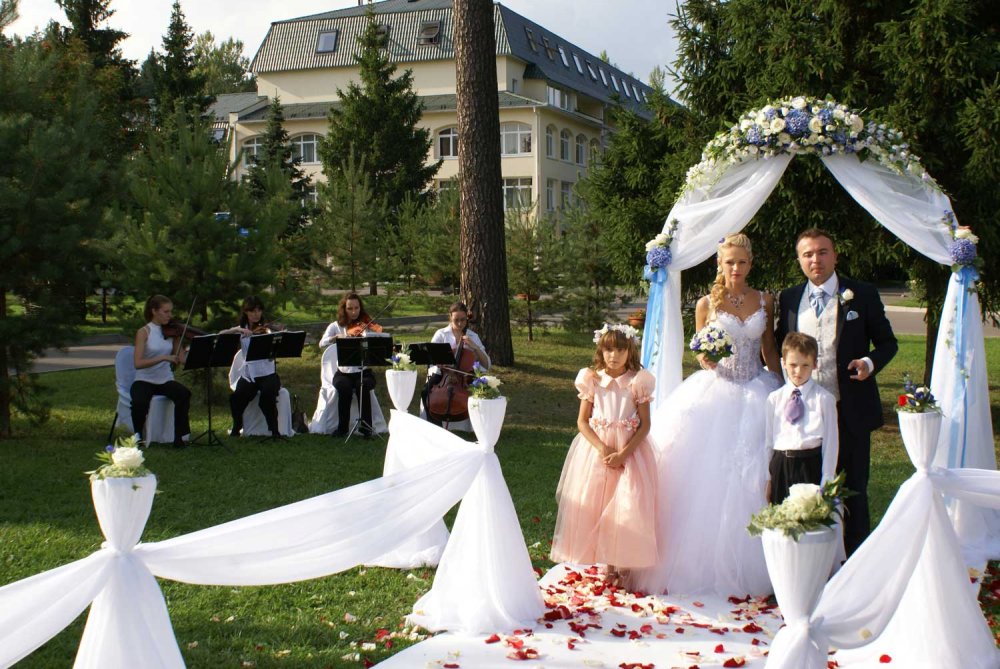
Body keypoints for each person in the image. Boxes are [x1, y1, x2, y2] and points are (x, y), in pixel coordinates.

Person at [636, 233, 782, 597]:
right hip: (717, 391)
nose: (736, 268)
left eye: (742, 262)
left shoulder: (765, 300)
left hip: (757, 389)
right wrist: (706, 358)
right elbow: (701, 351)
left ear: (751, 264)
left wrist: (783, 388)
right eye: (729, 262)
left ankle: (760, 564)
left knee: (753, 475)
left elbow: (769, 349)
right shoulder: (706, 303)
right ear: (720, 264)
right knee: (706, 474)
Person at [776, 228, 897, 556]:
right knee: (806, 489)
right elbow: (779, 347)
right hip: (804, 415)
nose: (815, 259)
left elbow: (888, 343)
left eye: (822, 252)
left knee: (853, 489)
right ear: (799, 260)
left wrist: (869, 363)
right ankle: (811, 560)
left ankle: (856, 562)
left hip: (850, 409)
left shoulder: (862, 294)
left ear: (835, 255)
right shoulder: (789, 298)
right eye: (808, 254)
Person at [550, 323, 657, 588]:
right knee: (600, 504)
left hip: (629, 452)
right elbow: (582, 422)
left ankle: (624, 563)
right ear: (601, 351)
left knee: (626, 506)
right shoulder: (592, 380)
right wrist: (602, 448)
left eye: (620, 350)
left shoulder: (638, 382)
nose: (614, 356)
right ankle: (609, 565)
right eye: (609, 350)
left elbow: (645, 425)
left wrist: (624, 453)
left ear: (629, 351)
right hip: (598, 453)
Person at [765, 332, 839, 504]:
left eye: (805, 365)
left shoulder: (825, 399)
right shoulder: (774, 399)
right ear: (783, 363)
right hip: (781, 466)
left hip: (810, 466)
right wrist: (768, 478)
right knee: (781, 517)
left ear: (815, 365)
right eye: (793, 365)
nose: (798, 371)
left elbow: (831, 443)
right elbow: (768, 441)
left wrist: (827, 480)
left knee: (809, 517)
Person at [130, 294, 192, 448]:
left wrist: (199, 352)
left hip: (165, 379)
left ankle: (179, 437)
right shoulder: (144, 332)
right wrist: (163, 357)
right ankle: (138, 436)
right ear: (154, 311)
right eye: (166, 311)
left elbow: (181, 358)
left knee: (184, 394)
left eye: (171, 311)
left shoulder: (172, 332)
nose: (170, 315)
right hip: (144, 379)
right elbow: (138, 363)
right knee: (139, 402)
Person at [318, 293, 382, 438]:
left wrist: (369, 334)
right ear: (344, 309)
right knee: (343, 387)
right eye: (350, 308)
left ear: (360, 308)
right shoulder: (336, 326)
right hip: (343, 372)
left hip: (364, 371)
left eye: (356, 308)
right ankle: (342, 428)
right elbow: (322, 343)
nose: (354, 312)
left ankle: (366, 428)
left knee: (363, 385)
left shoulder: (366, 324)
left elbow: (379, 338)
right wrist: (336, 337)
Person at [420, 302, 490, 427]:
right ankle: (435, 426)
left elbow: (487, 364)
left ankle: (480, 427)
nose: (460, 324)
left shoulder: (473, 336)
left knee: (482, 391)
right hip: (443, 374)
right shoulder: (441, 334)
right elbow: (431, 358)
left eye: (463, 320)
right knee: (425, 392)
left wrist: (474, 347)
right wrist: (438, 363)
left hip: (465, 376)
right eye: (456, 320)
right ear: (450, 318)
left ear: (467, 319)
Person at [223, 296, 283, 439]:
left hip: (268, 372)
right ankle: (237, 425)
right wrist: (236, 329)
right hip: (249, 373)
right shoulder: (241, 329)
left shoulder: (267, 329)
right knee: (236, 398)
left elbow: (274, 352)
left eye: (259, 310)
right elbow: (220, 335)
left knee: (268, 394)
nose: (256, 314)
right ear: (246, 312)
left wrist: (273, 351)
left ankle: (274, 430)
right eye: (252, 311)